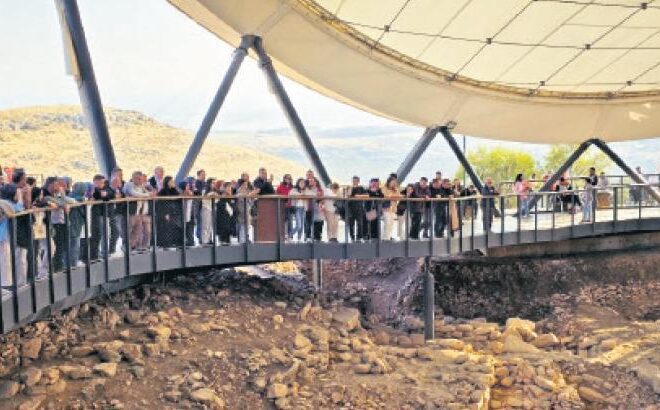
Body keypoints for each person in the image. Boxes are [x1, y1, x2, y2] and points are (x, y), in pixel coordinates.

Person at [0, 184, 25, 290]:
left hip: (4, 235)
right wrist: (20, 199)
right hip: (3, 236)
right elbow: (19, 209)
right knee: (5, 261)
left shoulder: (3, 203)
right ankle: (5, 286)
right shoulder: (6, 203)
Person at [123, 171, 153, 251]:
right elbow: (134, 193)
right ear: (133, 178)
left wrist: (147, 194)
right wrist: (146, 195)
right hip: (131, 212)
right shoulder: (128, 184)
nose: (139, 180)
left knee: (137, 231)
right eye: (137, 178)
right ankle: (126, 247)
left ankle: (133, 247)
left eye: (140, 179)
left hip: (139, 212)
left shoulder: (142, 186)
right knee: (129, 230)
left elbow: (151, 194)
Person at [91, 174, 115, 260]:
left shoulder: (106, 187)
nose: (102, 184)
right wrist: (102, 194)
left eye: (103, 182)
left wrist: (105, 195)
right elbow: (97, 195)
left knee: (105, 234)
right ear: (95, 182)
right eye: (100, 182)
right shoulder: (92, 188)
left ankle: (104, 253)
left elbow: (111, 194)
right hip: (97, 214)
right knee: (97, 234)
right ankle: (95, 255)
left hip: (104, 213)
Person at [156, 176, 183, 248]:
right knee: (166, 228)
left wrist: (175, 188)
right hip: (166, 213)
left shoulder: (175, 190)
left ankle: (174, 243)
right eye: (171, 181)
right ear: (167, 182)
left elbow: (179, 199)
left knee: (175, 227)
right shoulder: (162, 191)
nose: (173, 183)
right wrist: (165, 213)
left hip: (174, 213)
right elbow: (160, 204)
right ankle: (165, 243)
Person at [67, 182, 88, 267]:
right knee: (74, 244)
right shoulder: (76, 198)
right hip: (74, 223)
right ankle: (73, 263)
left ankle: (73, 262)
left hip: (75, 223)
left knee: (74, 243)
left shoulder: (71, 196)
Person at [347, 176, 367, 242]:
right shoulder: (349, 188)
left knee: (360, 224)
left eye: (356, 181)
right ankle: (352, 237)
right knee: (351, 224)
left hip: (359, 208)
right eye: (353, 181)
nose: (354, 182)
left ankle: (359, 237)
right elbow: (348, 195)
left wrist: (359, 196)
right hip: (351, 208)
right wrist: (351, 188)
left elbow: (367, 195)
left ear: (358, 181)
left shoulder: (361, 188)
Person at [304, 177, 324, 241]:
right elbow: (306, 195)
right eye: (310, 181)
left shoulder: (320, 189)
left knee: (319, 222)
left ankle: (318, 237)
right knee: (308, 223)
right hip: (309, 208)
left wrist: (320, 201)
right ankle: (308, 237)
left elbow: (322, 198)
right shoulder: (307, 189)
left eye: (312, 181)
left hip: (318, 209)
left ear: (316, 182)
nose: (311, 182)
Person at [383, 175, 401, 241]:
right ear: (389, 182)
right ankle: (385, 237)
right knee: (387, 222)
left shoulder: (396, 189)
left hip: (393, 208)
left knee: (391, 223)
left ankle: (389, 236)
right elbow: (387, 196)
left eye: (394, 182)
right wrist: (394, 196)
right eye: (392, 182)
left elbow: (399, 196)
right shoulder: (384, 188)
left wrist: (394, 195)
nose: (393, 184)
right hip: (386, 208)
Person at [276, 175, 293, 239]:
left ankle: (290, 235)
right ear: (284, 179)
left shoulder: (292, 187)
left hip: (290, 206)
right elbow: (277, 194)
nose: (288, 180)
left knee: (290, 220)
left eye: (289, 178)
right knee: (284, 221)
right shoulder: (280, 186)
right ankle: (284, 234)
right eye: (287, 178)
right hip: (282, 206)